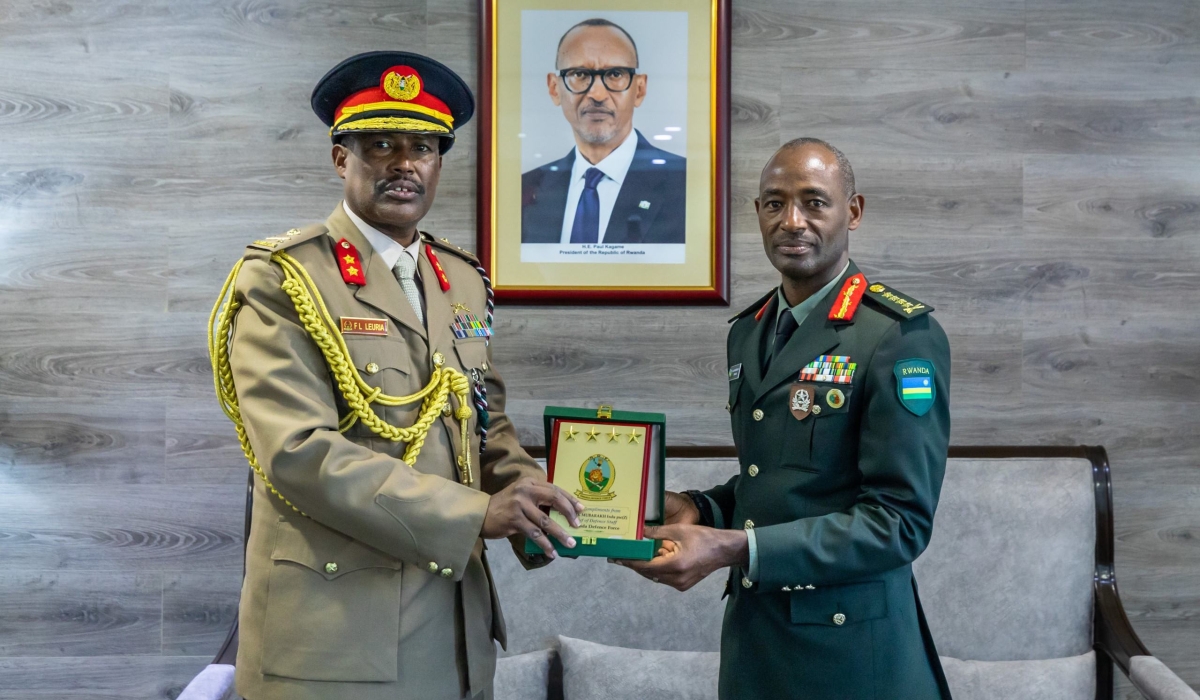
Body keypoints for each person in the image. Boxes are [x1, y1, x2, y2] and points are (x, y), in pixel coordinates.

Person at [209, 51, 584, 700]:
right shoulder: (283, 278)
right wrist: (478, 513)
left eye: (423, 147)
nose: (404, 163)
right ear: (340, 157)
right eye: (381, 144)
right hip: (335, 640)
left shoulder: (460, 278)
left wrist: (528, 492)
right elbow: (298, 453)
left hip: (454, 630)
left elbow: (481, 422)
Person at [620, 138, 954, 699]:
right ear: (757, 214)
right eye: (774, 204)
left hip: (850, 655)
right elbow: (781, 480)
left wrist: (732, 547)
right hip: (757, 641)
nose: (792, 221)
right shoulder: (748, 331)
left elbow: (898, 523)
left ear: (853, 211)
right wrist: (701, 508)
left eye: (814, 202)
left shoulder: (898, 336)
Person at [521, 18, 686, 245]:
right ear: (554, 88)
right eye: (579, 74)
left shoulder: (685, 184)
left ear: (639, 89)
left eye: (615, 74)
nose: (597, 94)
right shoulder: (527, 188)